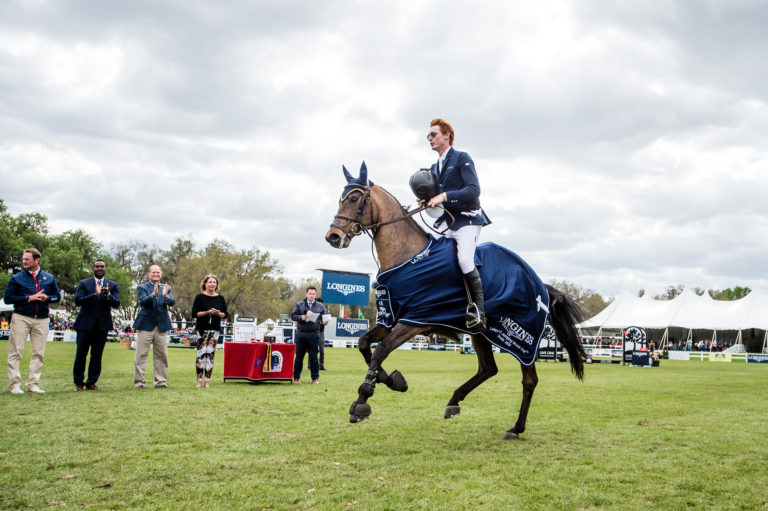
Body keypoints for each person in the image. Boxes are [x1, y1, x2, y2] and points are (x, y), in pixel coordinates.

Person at [418, 118, 491, 330]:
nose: (429, 138)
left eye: (433, 134)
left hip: (467, 220)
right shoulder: (434, 167)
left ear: (446, 135)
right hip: (446, 221)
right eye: (428, 136)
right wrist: (427, 201)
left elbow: (474, 190)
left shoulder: (462, 158)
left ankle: (479, 312)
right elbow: (436, 197)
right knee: (428, 256)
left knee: (465, 260)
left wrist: (444, 196)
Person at [4, 248, 61, 394]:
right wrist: (29, 298)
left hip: (42, 319)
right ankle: (14, 385)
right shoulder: (17, 278)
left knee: (38, 353)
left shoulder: (49, 278)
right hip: (21, 317)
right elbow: (8, 299)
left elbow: (57, 296)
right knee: (15, 351)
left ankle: (33, 384)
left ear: (37, 260)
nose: (24, 262)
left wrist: (47, 298)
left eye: (27, 259)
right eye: (23, 259)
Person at [72, 259, 121, 391]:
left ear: (105, 268)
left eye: (102, 266)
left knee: (97, 355)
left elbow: (116, 303)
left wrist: (108, 294)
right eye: (97, 266)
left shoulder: (112, 285)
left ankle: (91, 382)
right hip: (85, 324)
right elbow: (78, 301)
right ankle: (78, 382)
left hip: (102, 325)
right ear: (93, 268)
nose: (100, 269)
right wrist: (94, 294)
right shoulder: (84, 283)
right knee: (81, 354)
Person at [132, 265, 175, 389]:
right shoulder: (142, 287)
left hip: (161, 326)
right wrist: (153, 294)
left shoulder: (166, 288)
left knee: (162, 355)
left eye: (158, 272)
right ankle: (139, 382)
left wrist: (166, 296)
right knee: (141, 355)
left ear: (161, 274)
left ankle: (160, 382)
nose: (156, 274)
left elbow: (171, 302)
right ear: (148, 274)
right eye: (153, 272)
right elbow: (143, 301)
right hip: (145, 325)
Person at [190, 274, 228, 388]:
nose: (212, 284)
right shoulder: (199, 297)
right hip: (202, 329)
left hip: (215, 329)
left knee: (210, 355)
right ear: (205, 284)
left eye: (214, 282)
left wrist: (219, 313)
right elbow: (194, 314)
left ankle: (207, 380)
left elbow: (225, 314)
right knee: (201, 354)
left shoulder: (220, 298)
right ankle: (199, 380)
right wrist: (207, 312)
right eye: (210, 282)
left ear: (217, 285)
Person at [291, 286, 327, 384]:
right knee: (299, 357)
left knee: (314, 357)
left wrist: (325, 322)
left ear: (315, 295)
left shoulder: (320, 307)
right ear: (306, 294)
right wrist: (301, 317)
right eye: (310, 293)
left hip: (314, 334)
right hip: (301, 334)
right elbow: (293, 316)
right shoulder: (299, 304)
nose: (311, 295)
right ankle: (296, 378)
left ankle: (315, 378)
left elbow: (324, 318)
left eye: (313, 294)